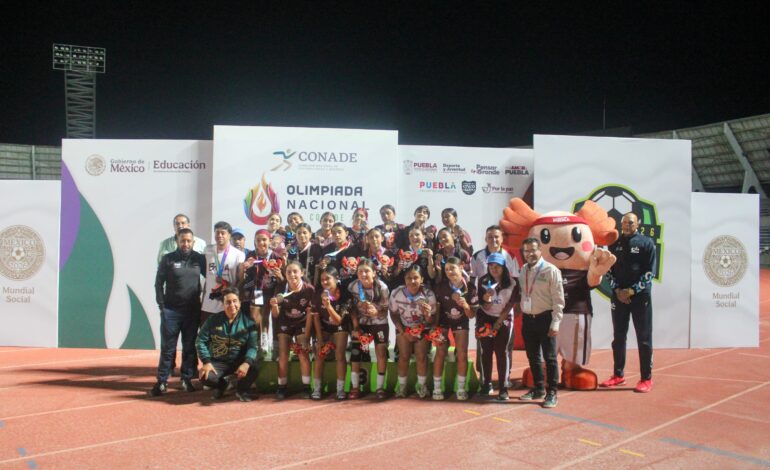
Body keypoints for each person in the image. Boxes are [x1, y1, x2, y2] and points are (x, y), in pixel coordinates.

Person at [601, 212, 656, 393]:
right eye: (624, 222)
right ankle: (618, 375)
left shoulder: (647, 243)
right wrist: (617, 290)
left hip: (640, 297)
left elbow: (649, 273)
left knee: (644, 338)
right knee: (618, 337)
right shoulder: (614, 243)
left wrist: (632, 290)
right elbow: (608, 270)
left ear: (637, 224)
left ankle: (646, 379)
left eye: (630, 222)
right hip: (619, 296)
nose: (626, 225)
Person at [149, 228, 206, 396]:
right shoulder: (168, 259)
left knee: (189, 347)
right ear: (177, 241)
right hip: (171, 311)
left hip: (192, 311)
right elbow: (158, 283)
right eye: (183, 241)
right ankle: (162, 381)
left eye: (189, 241)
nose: (186, 244)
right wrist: (162, 306)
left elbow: (211, 277)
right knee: (168, 348)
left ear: (193, 242)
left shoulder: (199, 259)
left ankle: (186, 379)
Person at [470, 225, 520, 386]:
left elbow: (516, 282)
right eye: (490, 237)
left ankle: (505, 378)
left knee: (504, 347)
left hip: (504, 308)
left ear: (502, 238)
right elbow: (472, 282)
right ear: (485, 239)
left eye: (496, 237)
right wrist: (477, 302)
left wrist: (514, 306)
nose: (494, 240)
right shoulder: (477, 256)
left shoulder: (509, 255)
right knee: (484, 347)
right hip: (484, 308)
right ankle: (485, 380)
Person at [517, 238, 563, 408]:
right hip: (529, 319)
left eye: (533, 250)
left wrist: (556, 322)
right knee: (533, 356)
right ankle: (538, 388)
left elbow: (559, 299)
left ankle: (552, 392)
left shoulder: (551, 270)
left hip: (546, 317)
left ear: (540, 250)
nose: (529, 254)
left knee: (550, 358)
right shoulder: (523, 270)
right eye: (526, 251)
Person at [197, 288, 260, 401]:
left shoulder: (249, 322)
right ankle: (222, 386)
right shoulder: (212, 320)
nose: (232, 305)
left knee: (254, 366)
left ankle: (241, 390)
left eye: (235, 301)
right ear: (223, 304)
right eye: (228, 302)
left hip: (239, 362)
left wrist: (246, 363)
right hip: (218, 362)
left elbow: (253, 346)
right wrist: (206, 362)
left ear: (240, 303)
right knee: (204, 376)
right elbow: (200, 340)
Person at [432, 257, 478, 401]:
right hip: (443, 322)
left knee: (462, 354)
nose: (450, 272)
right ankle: (437, 388)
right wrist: (435, 328)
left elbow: (471, 315)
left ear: (461, 266)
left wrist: (465, 305)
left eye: (452, 268)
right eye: (447, 269)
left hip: (461, 322)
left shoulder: (470, 287)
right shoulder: (441, 286)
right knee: (440, 352)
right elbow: (437, 308)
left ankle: (461, 388)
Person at [389, 265, 436, 398]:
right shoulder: (396, 293)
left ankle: (422, 386)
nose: (412, 281)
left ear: (421, 279)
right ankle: (402, 387)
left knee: (421, 357)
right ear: (404, 279)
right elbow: (393, 314)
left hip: (422, 327)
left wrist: (427, 315)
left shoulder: (428, 294)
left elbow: (431, 321)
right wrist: (403, 332)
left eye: (416, 278)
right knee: (404, 356)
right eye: (409, 278)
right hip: (404, 327)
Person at [269, 260, 315, 399]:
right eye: (289, 272)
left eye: (295, 271)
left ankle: (306, 387)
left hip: (302, 322)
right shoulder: (281, 287)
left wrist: (307, 337)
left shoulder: (309, 289)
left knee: (303, 353)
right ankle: (282, 387)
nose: (292, 274)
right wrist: (274, 306)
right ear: (285, 273)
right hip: (285, 322)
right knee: (283, 354)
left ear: (302, 273)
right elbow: (276, 315)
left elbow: (310, 315)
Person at [475, 253, 516, 400]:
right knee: (486, 352)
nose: (494, 269)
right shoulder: (482, 281)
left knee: (501, 352)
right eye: (491, 266)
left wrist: (498, 323)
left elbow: (510, 305)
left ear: (503, 267)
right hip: (485, 317)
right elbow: (482, 305)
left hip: (504, 318)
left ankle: (503, 388)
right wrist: (487, 300)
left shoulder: (512, 283)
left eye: (497, 266)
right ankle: (487, 384)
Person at [348, 258, 390, 399]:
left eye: (367, 271)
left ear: (374, 273)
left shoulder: (382, 287)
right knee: (355, 353)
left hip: (379, 323)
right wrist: (355, 326)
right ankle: (354, 387)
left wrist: (376, 312)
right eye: (360, 271)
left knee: (381, 353)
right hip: (361, 324)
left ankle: (380, 388)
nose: (363, 274)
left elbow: (386, 310)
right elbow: (352, 309)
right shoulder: (353, 287)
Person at [238, 229, 283, 356]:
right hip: (257, 290)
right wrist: (243, 268)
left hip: (272, 290)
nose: (261, 242)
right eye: (258, 240)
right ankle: (259, 340)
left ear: (269, 241)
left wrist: (279, 274)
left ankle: (268, 342)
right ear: (254, 242)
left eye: (264, 239)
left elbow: (283, 279)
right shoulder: (251, 256)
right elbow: (242, 277)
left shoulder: (275, 256)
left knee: (267, 316)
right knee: (256, 318)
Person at [309, 266, 351, 400]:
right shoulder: (318, 295)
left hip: (340, 326)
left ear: (336, 279)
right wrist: (320, 338)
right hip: (324, 327)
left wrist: (328, 306)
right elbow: (315, 317)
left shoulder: (345, 295)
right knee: (319, 353)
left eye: (328, 279)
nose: (325, 282)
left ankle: (340, 389)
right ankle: (317, 388)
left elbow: (338, 321)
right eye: (322, 280)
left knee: (339, 354)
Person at [200, 221, 246, 326]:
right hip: (209, 303)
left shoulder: (238, 254)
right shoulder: (207, 250)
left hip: (228, 304)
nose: (219, 235)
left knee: (227, 337)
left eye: (223, 233)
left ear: (229, 235)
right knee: (207, 336)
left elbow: (241, 280)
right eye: (217, 233)